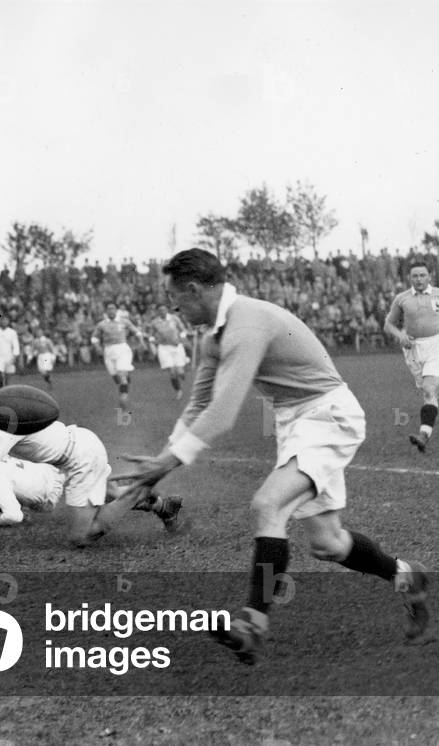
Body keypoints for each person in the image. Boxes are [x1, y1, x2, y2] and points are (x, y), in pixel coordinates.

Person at [115, 248, 430, 664]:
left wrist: (167, 463)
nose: (173, 306)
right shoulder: (215, 336)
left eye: (174, 297)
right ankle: (409, 577)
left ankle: (251, 624)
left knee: (267, 505)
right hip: (296, 423)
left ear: (192, 290)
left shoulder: (247, 322)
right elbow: (198, 405)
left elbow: (223, 413)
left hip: (327, 415)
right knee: (328, 544)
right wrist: (160, 463)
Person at [0, 369, 183, 546]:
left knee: (82, 537)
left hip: (79, 459)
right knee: (110, 495)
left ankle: (140, 493)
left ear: (2, 394)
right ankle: (162, 506)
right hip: (78, 446)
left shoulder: (8, 421)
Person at [384, 260, 439, 452]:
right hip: (413, 350)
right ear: (410, 278)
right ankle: (427, 428)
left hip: (436, 345)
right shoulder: (402, 298)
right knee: (428, 393)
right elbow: (388, 324)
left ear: (429, 276)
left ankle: (424, 434)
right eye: (415, 276)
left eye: (422, 275)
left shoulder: (437, 294)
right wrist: (400, 335)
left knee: (429, 389)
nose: (419, 279)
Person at [93, 301, 143, 407]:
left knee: (121, 374)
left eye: (113, 308)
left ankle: (124, 397)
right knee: (116, 378)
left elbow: (136, 331)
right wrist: (97, 347)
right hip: (108, 351)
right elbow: (94, 338)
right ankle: (125, 381)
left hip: (122, 349)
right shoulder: (102, 324)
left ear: (116, 310)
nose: (111, 311)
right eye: (109, 309)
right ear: (106, 311)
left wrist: (141, 341)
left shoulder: (124, 321)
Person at [148, 303, 190, 399]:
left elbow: (183, 329)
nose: (162, 312)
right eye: (160, 310)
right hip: (164, 348)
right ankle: (178, 391)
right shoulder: (155, 322)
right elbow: (151, 335)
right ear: (157, 312)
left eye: (164, 309)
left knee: (180, 372)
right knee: (172, 371)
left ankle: (184, 366)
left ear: (167, 310)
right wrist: (152, 341)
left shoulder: (174, 318)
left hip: (176, 347)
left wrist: (182, 337)